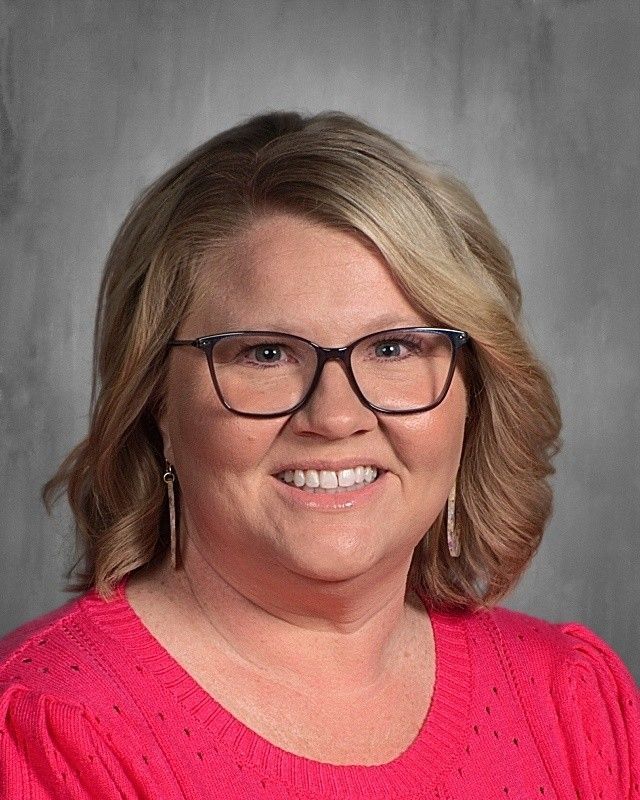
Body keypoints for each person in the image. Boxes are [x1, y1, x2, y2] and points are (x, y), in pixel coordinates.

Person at [0, 111, 637, 799]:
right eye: (266, 353)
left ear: (473, 392)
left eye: (394, 348)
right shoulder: (49, 729)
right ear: (155, 398)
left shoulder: (574, 704)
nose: (334, 417)